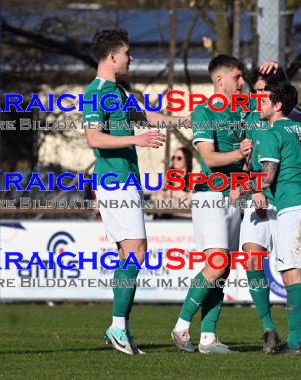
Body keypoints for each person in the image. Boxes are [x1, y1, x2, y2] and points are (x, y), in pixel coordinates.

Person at [83, 29, 188, 355]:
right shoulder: (96, 91)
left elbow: (143, 116)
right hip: (115, 181)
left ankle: (120, 329)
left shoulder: (117, 91)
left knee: (128, 254)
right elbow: (93, 138)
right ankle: (117, 327)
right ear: (112, 56)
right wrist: (136, 140)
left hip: (124, 181)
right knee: (136, 252)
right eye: (127, 52)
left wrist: (184, 121)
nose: (131, 57)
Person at [170, 55, 277, 354]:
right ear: (220, 80)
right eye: (237, 77)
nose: (241, 82)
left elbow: (276, 101)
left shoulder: (243, 110)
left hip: (234, 196)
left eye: (243, 77)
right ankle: (181, 326)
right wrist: (240, 153)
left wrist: (278, 69)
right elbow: (210, 159)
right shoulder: (204, 111)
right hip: (209, 196)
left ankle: (208, 337)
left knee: (224, 268)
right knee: (216, 263)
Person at [232, 67, 301, 353]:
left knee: (292, 274)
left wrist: (242, 188)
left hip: (294, 206)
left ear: (277, 104)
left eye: (263, 99)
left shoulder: (273, 131)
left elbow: (267, 178)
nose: (257, 103)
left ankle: (295, 343)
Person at [152, 147, 193, 219]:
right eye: (173, 157)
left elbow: (184, 205)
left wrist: (167, 200)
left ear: (187, 160)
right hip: (164, 218)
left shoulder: (192, 181)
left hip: (183, 220)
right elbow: (157, 201)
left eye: (179, 158)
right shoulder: (166, 179)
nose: (175, 160)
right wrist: (174, 202)